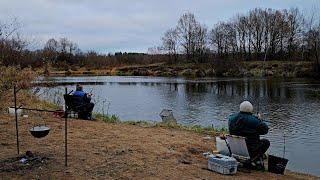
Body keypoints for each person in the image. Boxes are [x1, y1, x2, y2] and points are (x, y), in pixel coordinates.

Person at [228, 101, 270, 169]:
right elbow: (265, 130)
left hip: (234, 149)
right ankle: (253, 160)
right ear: (251, 109)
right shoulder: (255, 121)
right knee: (266, 142)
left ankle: (248, 160)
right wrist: (260, 120)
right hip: (249, 150)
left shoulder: (231, 118)